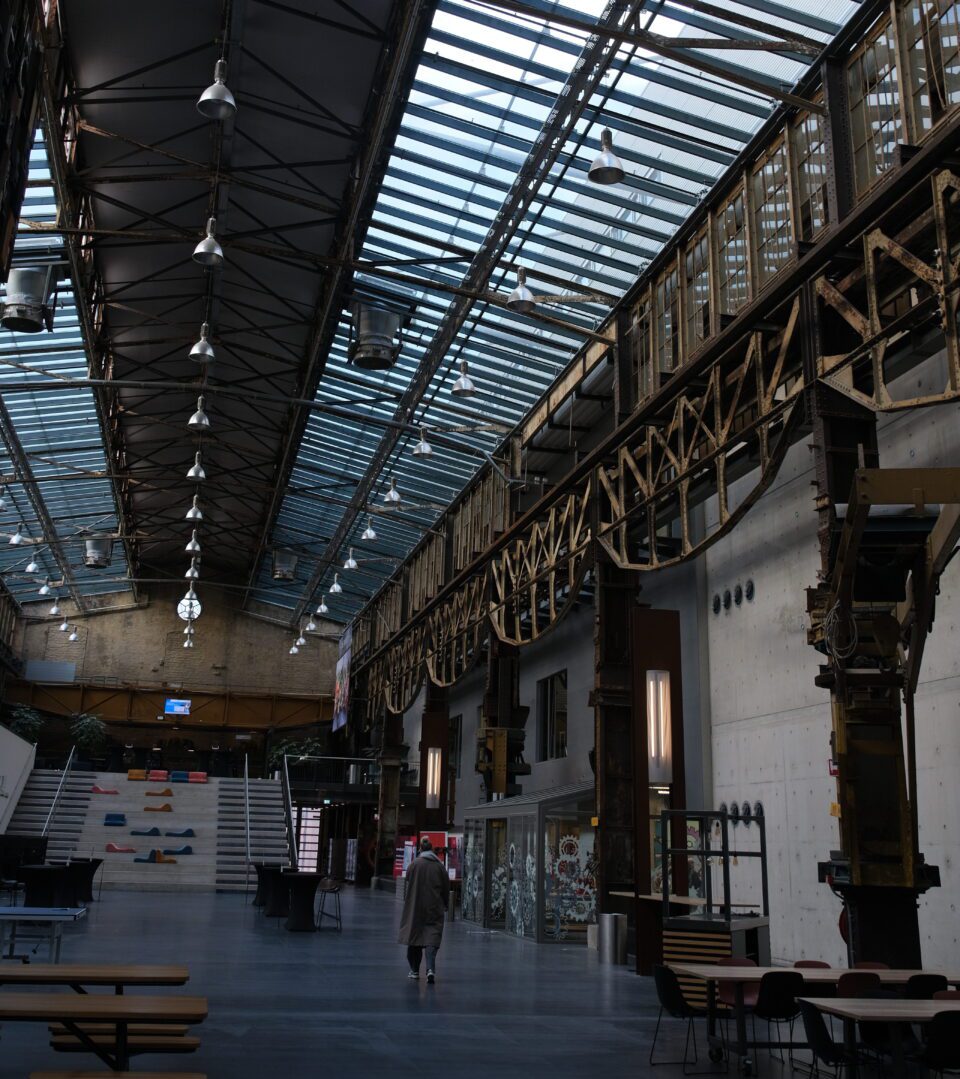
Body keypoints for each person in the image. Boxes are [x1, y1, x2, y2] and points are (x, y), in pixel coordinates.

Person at [398, 836, 450, 983]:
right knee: (432, 937)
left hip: (415, 907)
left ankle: (414, 970)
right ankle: (430, 969)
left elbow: (408, 880)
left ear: (420, 849)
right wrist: (445, 904)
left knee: (414, 937)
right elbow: (446, 887)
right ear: (432, 849)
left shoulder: (414, 864)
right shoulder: (439, 866)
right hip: (434, 907)